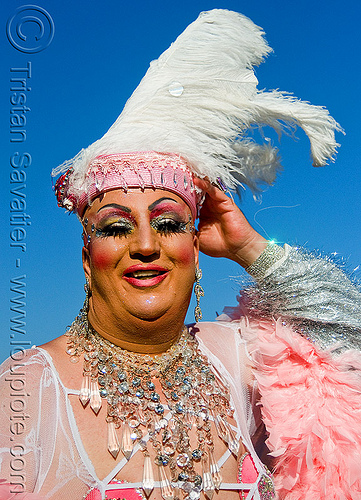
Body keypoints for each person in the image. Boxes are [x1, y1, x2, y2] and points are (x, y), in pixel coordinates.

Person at [1, 9, 361, 500]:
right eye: (115, 228)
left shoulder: (241, 361)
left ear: (194, 247)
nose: (146, 245)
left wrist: (251, 248)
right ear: (88, 260)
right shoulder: (26, 392)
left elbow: (347, 336)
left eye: (168, 223)